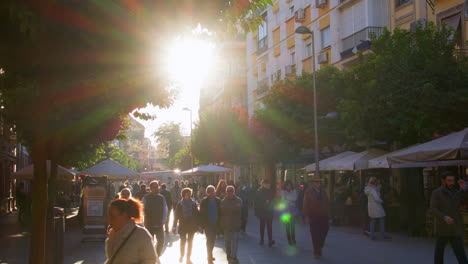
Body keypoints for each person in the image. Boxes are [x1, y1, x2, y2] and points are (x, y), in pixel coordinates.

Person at [105, 198, 159, 264]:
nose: (109, 219)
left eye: (112, 216)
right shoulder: (112, 233)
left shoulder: (142, 235)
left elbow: (150, 261)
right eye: (108, 215)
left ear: (124, 215)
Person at [430, 171, 468, 264]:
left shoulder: (456, 192)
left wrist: (464, 190)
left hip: (455, 227)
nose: (451, 183)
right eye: (449, 181)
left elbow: (464, 202)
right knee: (439, 253)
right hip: (442, 227)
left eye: (453, 181)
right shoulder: (436, 193)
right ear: (443, 181)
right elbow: (433, 208)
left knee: (461, 253)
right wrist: (444, 217)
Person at [303, 175, 329, 259]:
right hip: (313, 215)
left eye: (319, 182)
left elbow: (327, 202)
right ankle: (316, 251)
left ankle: (320, 244)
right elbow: (305, 204)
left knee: (325, 229)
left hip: (323, 215)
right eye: (316, 182)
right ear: (313, 183)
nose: (318, 183)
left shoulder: (323, 191)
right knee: (314, 234)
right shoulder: (308, 192)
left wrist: (329, 213)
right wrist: (306, 216)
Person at [173, 188, 199, 264]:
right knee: (183, 241)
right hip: (182, 225)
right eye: (187, 194)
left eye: (190, 194)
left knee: (190, 242)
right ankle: (182, 255)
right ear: (183, 195)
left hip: (191, 225)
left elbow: (197, 215)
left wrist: (198, 226)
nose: (189, 195)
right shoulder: (180, 204)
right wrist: (174, 227)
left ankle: (188, 258)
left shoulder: (193, 203)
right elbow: (176, 216)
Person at [143, 181, 167, 257]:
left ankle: (157, 256)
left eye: (157, 187)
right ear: (150, 189)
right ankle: (151, 257)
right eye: (154, 187)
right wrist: (144, 222)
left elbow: (165, 209)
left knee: (161, 242)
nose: (156, 189)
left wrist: (163, 221)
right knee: (150, 243)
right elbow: (142, 210)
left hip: (159, 224)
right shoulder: (146, 198)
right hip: (149, 224)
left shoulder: (161, 197)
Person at [199, 185, 221, 264]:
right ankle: (209, 255)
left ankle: (210, 254)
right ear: (207, 192)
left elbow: (221, 212)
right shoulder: (204, 201)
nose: (212, 192)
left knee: (213, 240)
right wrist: (200, 226)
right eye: (210, 191)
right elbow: (201, 214)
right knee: (209, 240)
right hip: (207, 224)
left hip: (216, 223)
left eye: (213, 191)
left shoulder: (218, 200)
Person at [221, 186, 242, 263]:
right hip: (226, 225)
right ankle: (228, 254)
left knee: (235, 241)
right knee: (227, 242)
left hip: (236, 224)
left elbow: (240, 209)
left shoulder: (239, 200)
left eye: (231, 191)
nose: (230, 193)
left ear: (234, 191)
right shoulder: (223, 201)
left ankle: (233, 256)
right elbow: (223, 211)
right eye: (228, 191)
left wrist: (229, 208)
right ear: (226, 192)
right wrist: (233, 208)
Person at [254, 179, 275, 247]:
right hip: (262, 211)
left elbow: (272, 199)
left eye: (269, 184)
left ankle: (270, 240)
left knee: (269, 226)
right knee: (262, 225)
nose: (269, 185)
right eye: (267, 184)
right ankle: (262, 240)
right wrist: (264, 201)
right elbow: (256, 202)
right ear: (263, 184)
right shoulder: (259, 191)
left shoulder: (270, 191)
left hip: (269, 211)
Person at [282, 180, 299, 245]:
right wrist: (289, 200)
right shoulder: (283, 192)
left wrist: (287, 199)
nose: (289, 187)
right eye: (287, 186)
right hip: (286, 211)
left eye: (290, 185)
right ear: (285, 186)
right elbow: (283, 200)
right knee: (287, 226)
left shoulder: (294, 191)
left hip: (293, 211)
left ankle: (293, 238)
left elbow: (295, 198)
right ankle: (289, 239)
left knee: (293, 226)